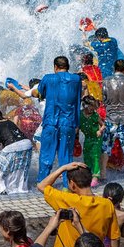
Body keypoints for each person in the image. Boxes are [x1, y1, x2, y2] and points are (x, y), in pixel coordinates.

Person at [36, 162, 120, 247]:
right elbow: (114, 237)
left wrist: (63, 168)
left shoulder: (67, 199)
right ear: (90, 181)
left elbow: (41, 186)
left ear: (72, 184)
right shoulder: (107, 204)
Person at [33, 56, 83, 186]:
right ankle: (68, 184)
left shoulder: (48, 78)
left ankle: (42, 183)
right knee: (66, 156)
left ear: (55, 67)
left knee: (46, 155)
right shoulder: (77, 79)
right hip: (68, 122)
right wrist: (77, 124)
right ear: (68, 66)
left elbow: (40, 93)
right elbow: (78, 102)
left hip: (51, 122)